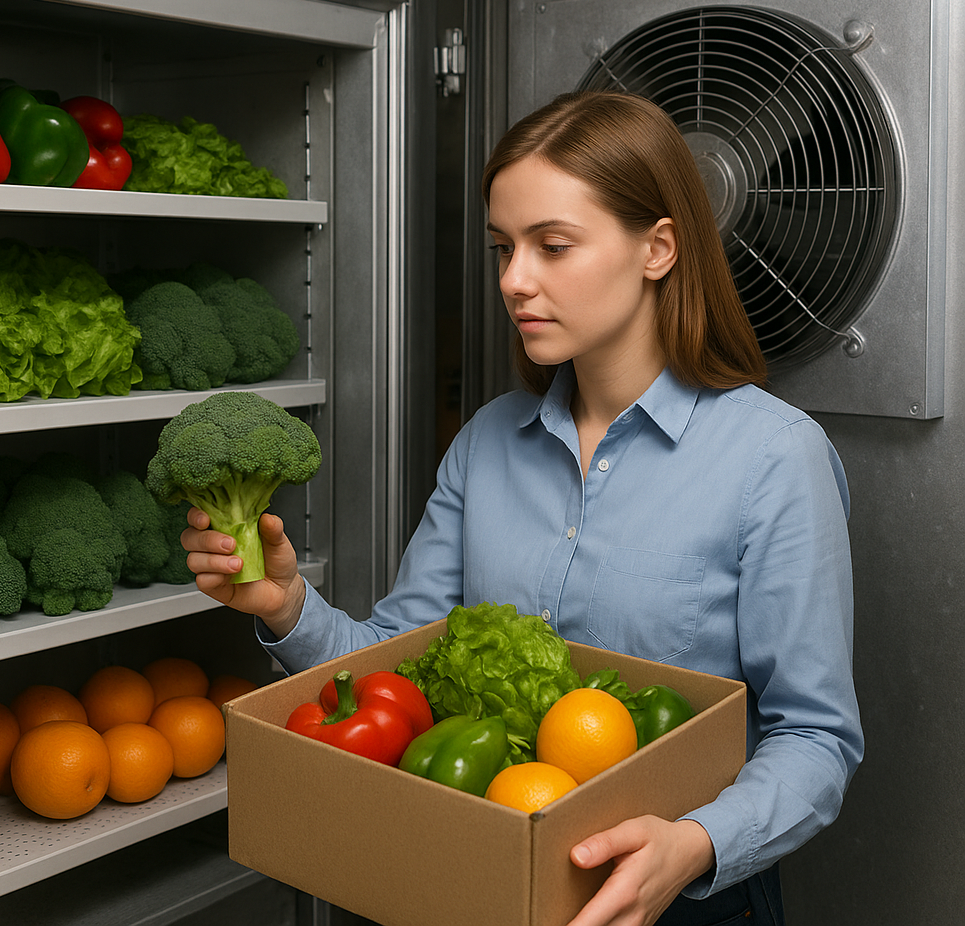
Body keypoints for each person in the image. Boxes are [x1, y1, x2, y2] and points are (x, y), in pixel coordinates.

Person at [181, 91, 863, 926]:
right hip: (478, 877)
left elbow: (815, 739)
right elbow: (402, 672)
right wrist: (287, 610)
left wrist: (694, 844)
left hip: (683, 901)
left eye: (553, 246)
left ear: (658, 248)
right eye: (504, 247)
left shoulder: (772, 459)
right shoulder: (487, 442)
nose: (514, 281)